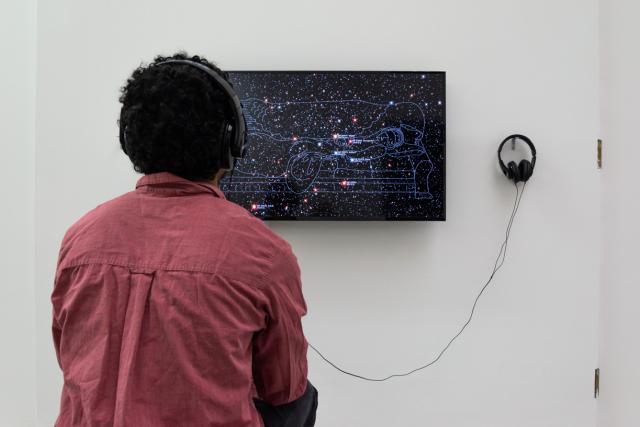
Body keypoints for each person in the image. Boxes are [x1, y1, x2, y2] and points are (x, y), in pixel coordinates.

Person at [50, 52, 317, 427]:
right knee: (303, 397)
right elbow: (284, 387)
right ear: (232, 142)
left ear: (130, 141)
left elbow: (70, 357)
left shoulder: (80, 238)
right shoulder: (265, 253)